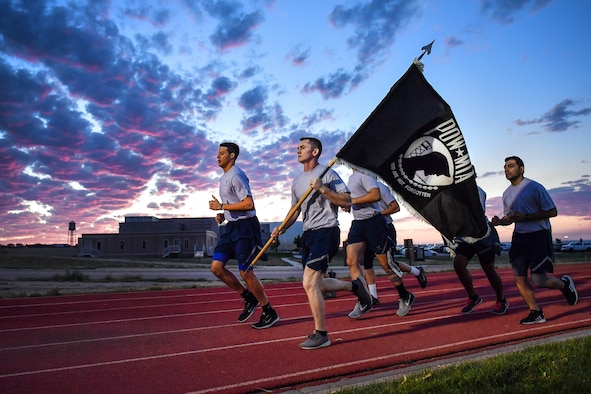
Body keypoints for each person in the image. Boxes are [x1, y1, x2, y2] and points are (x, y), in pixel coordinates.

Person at [271, 137, 372, 350]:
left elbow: (347, 201)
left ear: (315, 151)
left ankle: (321, 334)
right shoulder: (297, 180)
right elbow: (295, 210)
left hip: (327, 231)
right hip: (308, 234)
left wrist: (323, 189)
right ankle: (355, 286)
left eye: (302, 147)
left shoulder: (328, 174)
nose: (298, 150)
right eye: (297, 147)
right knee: (317, 285)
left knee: (308, 283)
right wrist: (282, 228)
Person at [491, 156, 578, 324]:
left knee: (538, 280)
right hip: (519, 238)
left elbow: (552, 211)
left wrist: (527, 217)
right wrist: (501, 222)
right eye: (505, 167)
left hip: (538, 235)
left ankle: (564, 285)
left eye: (510, 166)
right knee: (519, 278)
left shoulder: (534, 187)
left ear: (521, 169)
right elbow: (511, 216)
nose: (506, 169)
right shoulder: (506, 194)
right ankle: (536, 312)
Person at [209, 142, 280, 329]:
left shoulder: (237, 175)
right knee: (216, 267)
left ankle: (268, 311)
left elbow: (249, 204)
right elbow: (235, 205)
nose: (218, 157)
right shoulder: (223, 178)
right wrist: (223, 215)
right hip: (231, 228)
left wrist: (222, 207)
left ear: (231, 156)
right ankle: (248, 297)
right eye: (218, 153)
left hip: (245, 228)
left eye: (222, 153)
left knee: (245, 271)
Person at [343, 169, 416, 319]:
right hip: (358, 224)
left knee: (386, 265)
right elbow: (355, 198)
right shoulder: (352, 177)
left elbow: (375, 195)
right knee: (352, 261)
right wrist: (348, 204)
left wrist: (352, 201)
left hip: (373, 223)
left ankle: (405, 295)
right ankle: (364, 300)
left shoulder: (365, 174)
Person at [360, 181, 427, 306]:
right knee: (367, 263)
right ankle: (373, 296)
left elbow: (395, 207)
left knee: (388, 264)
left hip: (384, 228)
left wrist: (377, 216)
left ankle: (417, 271)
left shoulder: (381, 188)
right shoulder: (359, 187)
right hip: (368, 229)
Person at [450, 186, 508, 315]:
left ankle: (501, 299)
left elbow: (471, 211)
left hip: (482, 234)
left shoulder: (476, 190)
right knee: (458, 264)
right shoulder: (453, 190)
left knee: (488, 268)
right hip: (466, 234)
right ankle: (473, 297)